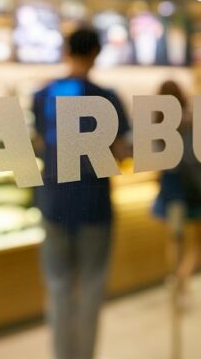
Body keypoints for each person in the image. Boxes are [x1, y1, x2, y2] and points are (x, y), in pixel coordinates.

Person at [32, 27, 131, 359]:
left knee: (58, 287)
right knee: (91, 287)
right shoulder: (107, 98)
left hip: (53, 201)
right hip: (93, 203)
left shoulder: (42, 95)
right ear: (96, 53)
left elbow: (41, 143)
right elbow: (120, 152)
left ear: (66, 51)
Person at [151, 80, 201, 296]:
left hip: (170, 186)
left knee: (175, 239)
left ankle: (176, 280)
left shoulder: (155, 124)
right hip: (194, 187)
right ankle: (182, 279)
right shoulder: (195, 121)